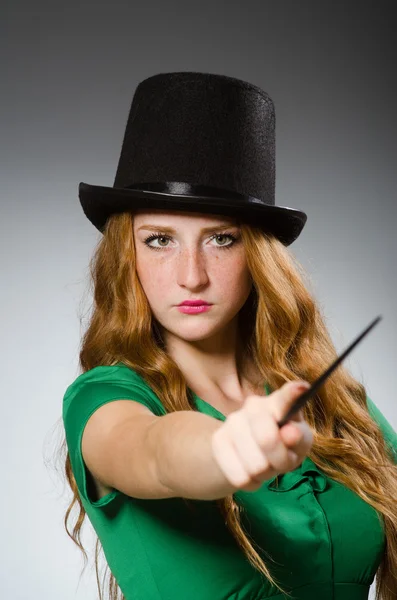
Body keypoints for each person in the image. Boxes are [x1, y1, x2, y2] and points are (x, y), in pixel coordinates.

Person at [60, 72, 397, 600]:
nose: (191, 274)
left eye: (220, 239)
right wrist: (224, 449)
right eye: (159, 241)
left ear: (257, 253)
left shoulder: (338, 402)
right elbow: (153, 453)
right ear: (127, 257)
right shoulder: (105, 399)